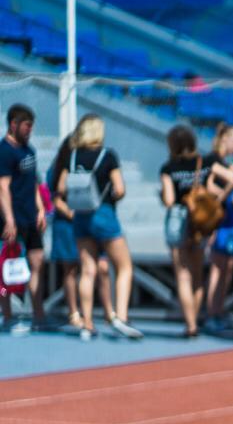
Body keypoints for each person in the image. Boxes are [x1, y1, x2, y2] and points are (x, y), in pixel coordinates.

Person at [57, 114, 143, 341]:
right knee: (124, 266)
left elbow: (61, 187)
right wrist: (112, 194)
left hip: (80, 216)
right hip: (103, 213)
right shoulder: (108, 156)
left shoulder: (72, 156)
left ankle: (86, 323)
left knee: (87, 270)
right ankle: (120, 317)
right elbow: (120, 189)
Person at [0, 104, 46, 332]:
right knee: (8, 268)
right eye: (27, 126)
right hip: (13, 219)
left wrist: (40, 209)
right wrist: (9, 219)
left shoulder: (30, 151)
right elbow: (3, 187)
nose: (30, 130)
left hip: (30, 217)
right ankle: (7, 317)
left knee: (37, 261)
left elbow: (34, 183)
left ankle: (38, 315)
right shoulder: (4, 151)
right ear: (14, 124)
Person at [159, 125, 209, 338]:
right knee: (197, 274)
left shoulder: (169, 167)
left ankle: (190, 324)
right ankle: (194, 317)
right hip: (199, 220)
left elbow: (169, 200)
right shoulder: (203, 163)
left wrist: (163, 193)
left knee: (182, 274)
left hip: (178, 219)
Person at [204, 123, 233, 334]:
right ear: (226, 139)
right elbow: (215, 186)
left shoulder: (223, 161)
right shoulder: (213, 159)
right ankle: (212, 313)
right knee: (218, 268)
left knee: (226, 267)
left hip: (226, 220)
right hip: (217, 222)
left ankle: (219, 311)